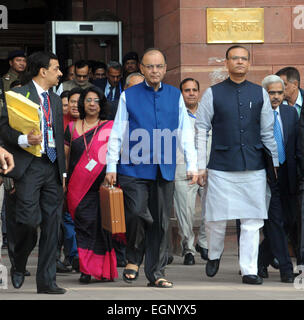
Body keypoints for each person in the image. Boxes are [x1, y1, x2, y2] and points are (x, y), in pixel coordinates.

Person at [105, 48, 197, 288]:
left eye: (159, 66)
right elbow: (118, 132)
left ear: (165, 69)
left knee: (160, 222)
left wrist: (192, 164)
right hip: (133, 167)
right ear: (141, 69)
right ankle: (134, 256)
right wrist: (111, 166)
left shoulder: (175, 95)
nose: (154, 71)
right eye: (149, 66)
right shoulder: (129, 95)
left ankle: (156, 273)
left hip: (163, 168)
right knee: (136, 213)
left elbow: (186, 133)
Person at [195, 45, 278, 285]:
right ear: (226, 63)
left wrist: (274, 162)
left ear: (249, 63)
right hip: (221, 165)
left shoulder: (259, 93)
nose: (239, 62)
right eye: (235, 58)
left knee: (252, 220)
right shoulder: (213, 93)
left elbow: (267, 131)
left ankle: (249, 269)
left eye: (244, 58)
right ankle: (214, 253)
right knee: (215, 217)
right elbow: (201, 129)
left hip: (253, 165)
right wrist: (201, 165)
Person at [0, 51, 66, 294]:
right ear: (43, 70)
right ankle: (18, 262)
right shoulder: (17, 94)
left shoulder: (56, 100)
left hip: (53, 167)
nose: (60, 73)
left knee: (52, 225)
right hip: (29, 166)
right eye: (56, 68)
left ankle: (47, 282)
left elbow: (58, 137)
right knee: (28, 221)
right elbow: (4, 129)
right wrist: (23, 139)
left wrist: (63, 173)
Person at [65, 86, 118, 284]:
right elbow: (66, 157)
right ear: (82, 104)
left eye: (96, 100)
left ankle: (104, 271)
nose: (92, 104)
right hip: (77, 189)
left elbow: (115, 154)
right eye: (88, 100)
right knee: (83, 227)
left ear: (101, 103)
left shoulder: (110, 126)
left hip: (102, 186)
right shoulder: (71, 128)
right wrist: (62, 181)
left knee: (102, 229)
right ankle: (86, 270)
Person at [257, 75, 298, 283]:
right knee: (275, 221)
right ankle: (285, 269)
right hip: (266, 174)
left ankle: (260, 260)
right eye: (271, 92)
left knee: (289, 220)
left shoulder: (291, 113)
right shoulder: (256, 114)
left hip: (287, 173)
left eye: (279, 93)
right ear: (264, 93)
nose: (275, 97)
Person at [174, 78, 208, 265]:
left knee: (211, 211)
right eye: (187, 90)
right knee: (185, 212)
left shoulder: (208, 112)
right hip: (183, 167)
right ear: (182, 93)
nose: (192, 93)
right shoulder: (175, 113)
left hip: (208, 167)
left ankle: (203, 243)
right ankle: (188, 248)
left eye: (195, 89)